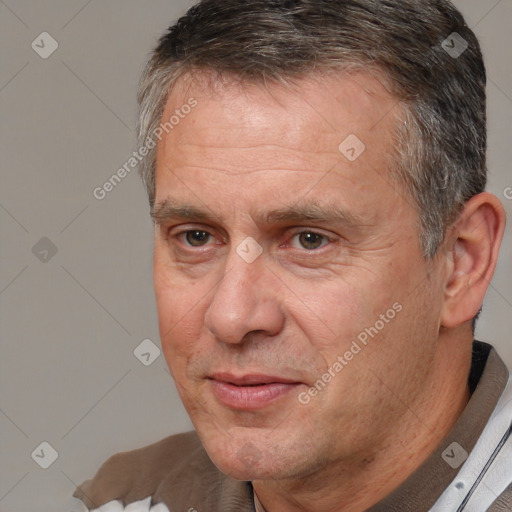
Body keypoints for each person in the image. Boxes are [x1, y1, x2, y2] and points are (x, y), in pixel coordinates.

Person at [73, 0, 511, 510]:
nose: (232, 316)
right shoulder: (125, 498)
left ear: (461, 262)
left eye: (309, 239)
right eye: (196, 236)